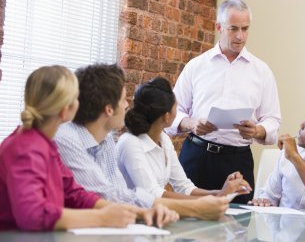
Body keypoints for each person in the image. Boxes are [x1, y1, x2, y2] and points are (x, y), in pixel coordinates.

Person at [0, 66, 175, 231]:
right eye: (76, 97)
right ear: (65, 110)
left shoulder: (44, 143)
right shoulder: (25, 148)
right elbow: (33, 215)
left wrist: (138, 212)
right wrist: (101, 218)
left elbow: (75, 193)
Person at [55, 63, 229, 220]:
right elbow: (105, 196)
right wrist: (194, 208)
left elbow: (122, 194)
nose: (126, 105)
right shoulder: (66, 140)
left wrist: (150, 210)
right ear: (108, 109)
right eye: (123, 99)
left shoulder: (106, 140)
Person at [166, 0, 281, 203]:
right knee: (186, 229)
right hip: (197, 157)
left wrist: (257, 131)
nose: (240, 36)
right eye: (233, 29)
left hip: (238, 162)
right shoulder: (196, 66)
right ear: (219, 27)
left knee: (236, 230)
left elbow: (272, 120)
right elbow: (172, 112)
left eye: (245, 29)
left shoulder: (262, 72)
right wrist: (192, 124)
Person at [117, 77, 252, 200]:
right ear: (166, 116)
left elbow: (184, 187)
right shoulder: (130, 143)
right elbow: (153, 195)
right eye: (176, 107)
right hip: (128, 220)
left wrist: (222, 192)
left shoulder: (163, 139)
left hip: (153, 215)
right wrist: (215, 199)